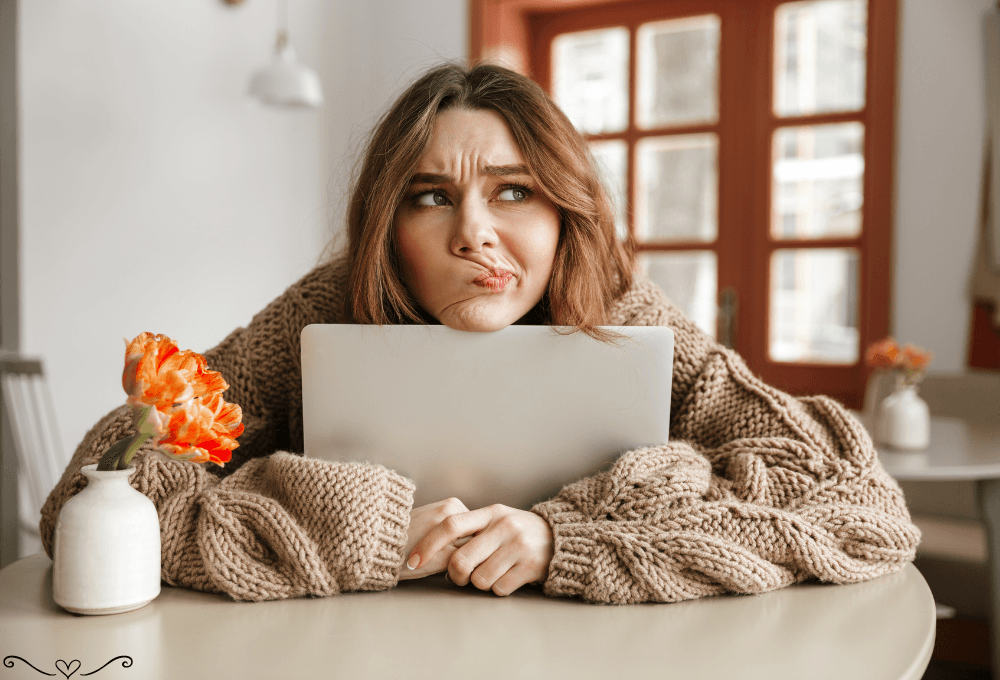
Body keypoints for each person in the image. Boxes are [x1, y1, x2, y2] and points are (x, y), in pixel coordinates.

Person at [40, 62, 919, 604]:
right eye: (431, 196)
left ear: (563, 211)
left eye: (512, 190)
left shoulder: (622, 312)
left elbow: (858, 510)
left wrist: (570, 544)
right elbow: (90, 501)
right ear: (389, 226)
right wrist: (363, 530)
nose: (473, 233)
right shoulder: (323, 310)